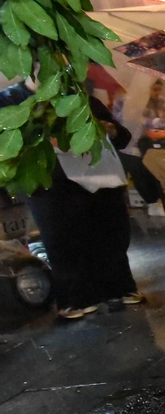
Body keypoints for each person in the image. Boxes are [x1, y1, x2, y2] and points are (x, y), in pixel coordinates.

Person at [4, 79, 144, 319]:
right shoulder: (10, 101)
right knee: (62, 239)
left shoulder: (77, 96)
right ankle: (74, 299)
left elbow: (121, 137)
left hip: (96, 179)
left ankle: (119, 288)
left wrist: (109, 129)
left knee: (111, 232)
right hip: (48, 185)